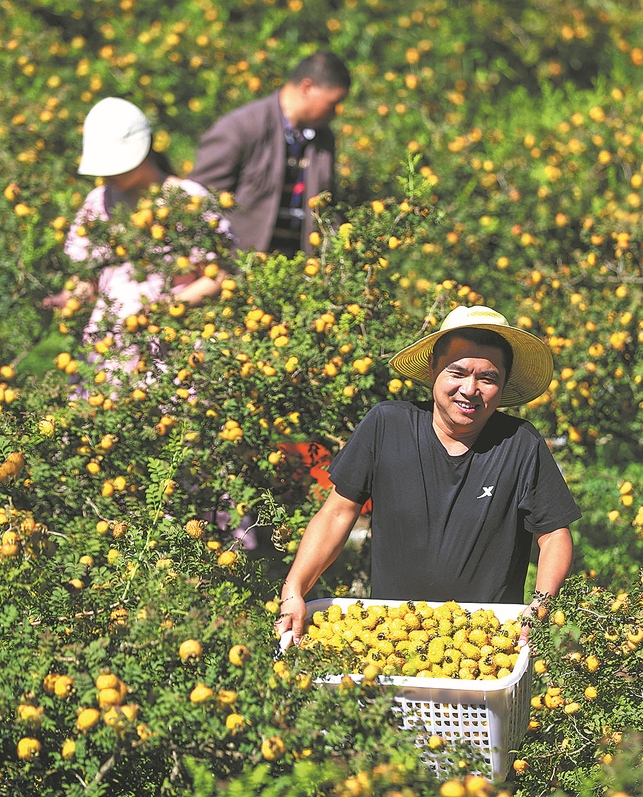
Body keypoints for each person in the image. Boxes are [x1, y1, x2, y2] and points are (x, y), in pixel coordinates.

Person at [275, 306, 581, 647]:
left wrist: (540, 606)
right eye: (457, 372)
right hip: (387, 638)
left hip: (488, 646)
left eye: (488, 378)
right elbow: (337, 513)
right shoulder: (387, 425)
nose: (470, 389)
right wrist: (294, 587)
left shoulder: (520, 444)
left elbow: (553, 535)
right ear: (434, 367)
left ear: (504, 383)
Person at [47, 97, 232, 375]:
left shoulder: (187, 201)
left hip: (175, 351)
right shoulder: (98, 202)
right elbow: (89, 277)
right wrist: (69, 298)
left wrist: (163, 310)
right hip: (109, 351)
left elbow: (219, 275)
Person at [187, 51, 350, 257]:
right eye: (332, 103)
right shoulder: (240, 128)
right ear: (307, 88)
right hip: (238, 271)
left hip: (299, 273)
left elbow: (327, 206)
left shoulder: (323, 139)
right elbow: (198, 197)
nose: (336, 112)